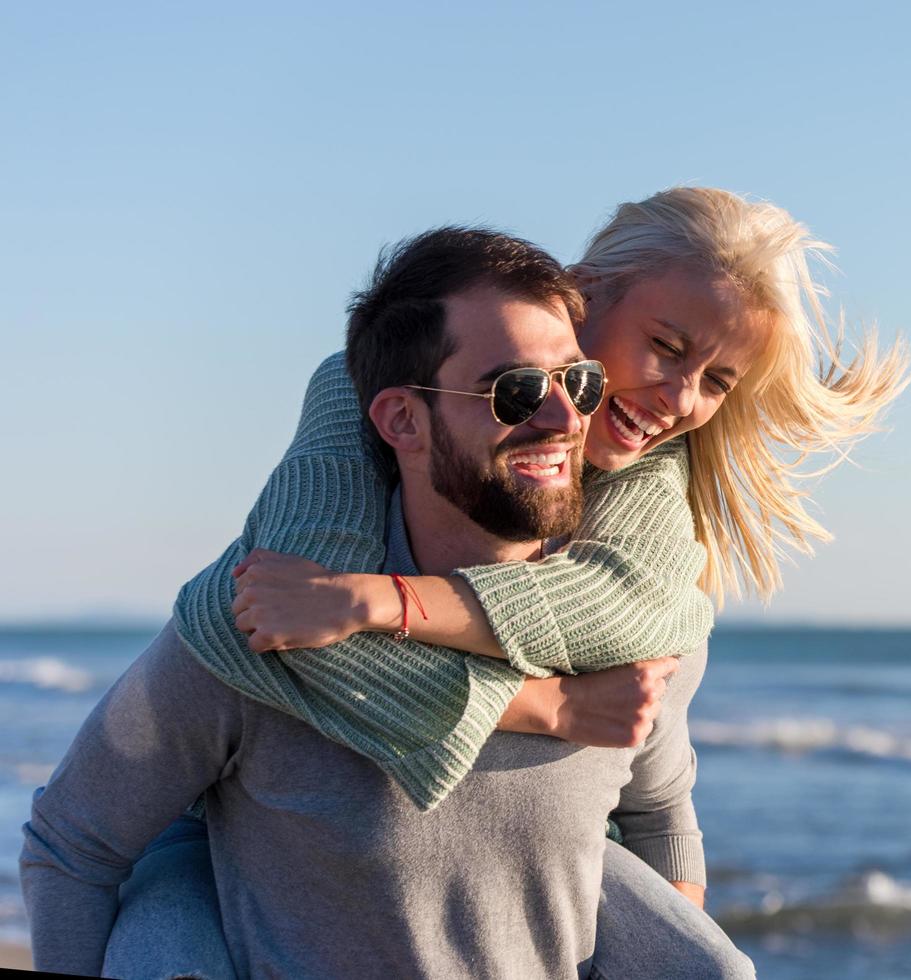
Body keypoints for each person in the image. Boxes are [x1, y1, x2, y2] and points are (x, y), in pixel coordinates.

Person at [21, 229, 758, 978]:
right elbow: (72, 844)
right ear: (400, 420)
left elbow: (660, 817)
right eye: (515, 393)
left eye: (579, 384)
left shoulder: (633, 646)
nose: (566, 422)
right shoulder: (257, 624)